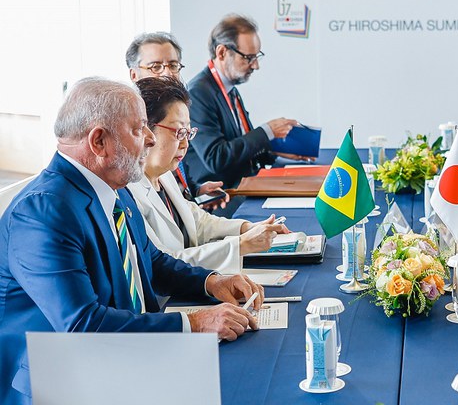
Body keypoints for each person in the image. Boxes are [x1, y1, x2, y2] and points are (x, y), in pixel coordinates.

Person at [0, 78, 265, 405]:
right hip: (65, 383)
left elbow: (151, 260)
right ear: (99, 141)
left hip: (126, 360)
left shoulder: (115, 187)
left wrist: (211, 282)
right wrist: (194, 323)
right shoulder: (42, 212)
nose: (151, 138)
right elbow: (84, 326)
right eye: (140, 128)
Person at [128, 77, 289, 273]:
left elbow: (197, 221)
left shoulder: (165, 174)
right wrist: (241, 244)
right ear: (146, 131)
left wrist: (246, 228)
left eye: (188, 133)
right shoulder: (129, 193)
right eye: (178, 132)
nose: (185, 144)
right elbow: (161, 264)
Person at [185, 14, 307, 190]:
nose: (255, 65)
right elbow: (216, 158)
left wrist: (275, 151)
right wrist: (266, 132)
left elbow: (240, 145)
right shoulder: (197, 93)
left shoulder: (230, 88)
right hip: (222, 195)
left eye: (257, 56)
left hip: (244, 184)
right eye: (248, 58)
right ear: (222, 52)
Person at [125, 31, 228, 210]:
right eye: (156, 66)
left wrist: (196, 190)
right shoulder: (129, 123)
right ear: (134, 74)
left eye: (173, 65)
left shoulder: (177, 109)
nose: (167, 73)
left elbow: (174, 173)